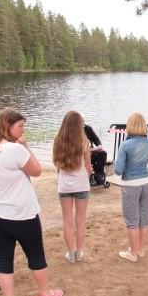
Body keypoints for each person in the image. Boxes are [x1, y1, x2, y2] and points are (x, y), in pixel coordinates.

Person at [0, 107, 62, 296]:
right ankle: (45, 293)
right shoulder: (15, 149)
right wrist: (25, 146)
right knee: (35, 253)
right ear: (8, 126)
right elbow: (37, 171)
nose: (23, 130)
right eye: (20, 126)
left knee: (3, 257)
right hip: (20, 212)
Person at [53, 111, 93, 263]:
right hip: (81, 185)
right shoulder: (85, 143)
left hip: (64, 187)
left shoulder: (57, 141)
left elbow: (57, 166)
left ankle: (71, 253)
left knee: (67, 220)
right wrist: (85, 176)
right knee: (80, 220)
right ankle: (79, 252)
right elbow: (88, 168)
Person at [114, 113, 148, 263]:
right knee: (144, 219)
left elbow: (118, 169)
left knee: (132, 220)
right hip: (146, 182)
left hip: (131, 184)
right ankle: (141, 249)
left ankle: (133, 253)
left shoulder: (125, 145)